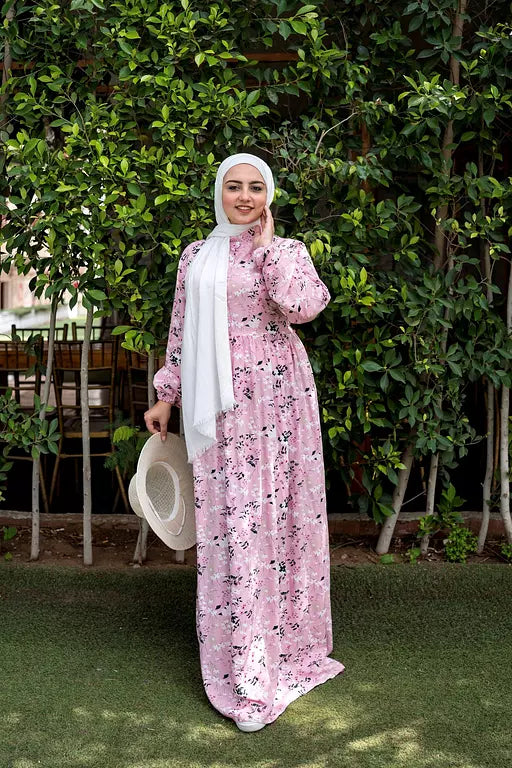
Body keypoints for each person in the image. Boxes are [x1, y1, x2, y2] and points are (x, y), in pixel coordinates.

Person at [144, 153, 344, 732]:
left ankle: (284, 650)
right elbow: (181, 330)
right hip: (219, 410)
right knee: (232, 521)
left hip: (279, 402)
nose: (245, 197)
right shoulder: (195, 257)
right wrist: (166, 394)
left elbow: (306, 308)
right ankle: (241, 660)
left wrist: (271, 253)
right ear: (219, 192)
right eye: (234, 186)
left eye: (257, 188)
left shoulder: (286, 252)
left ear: (270, 195)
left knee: (278, 516)